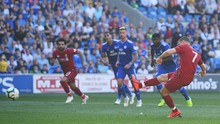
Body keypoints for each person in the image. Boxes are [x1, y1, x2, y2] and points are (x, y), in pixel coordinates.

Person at [131, 36, 206, 118]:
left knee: (163, 91)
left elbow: (169, 51)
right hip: (185, 75)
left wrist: (160, 58)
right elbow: (202, 65)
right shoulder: (196, 53)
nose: (178, 45)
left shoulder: (184, 46)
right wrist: (203, 71)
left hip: (181, 76)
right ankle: (139, 85)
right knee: (162, 77)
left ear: (183, 42)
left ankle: (175, 111)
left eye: (178, 44)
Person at [150, 33, 193, 107]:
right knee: (157, 81)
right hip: (162, 67)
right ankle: (164, 98)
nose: (154, 41)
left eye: (156, 39)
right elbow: (152, 51)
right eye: (153, 40)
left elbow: (171, 58)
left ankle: (187, 98)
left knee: (178, 85)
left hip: (171, 67)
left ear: (160, 39)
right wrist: (152, 60)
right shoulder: (152, 45)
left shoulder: (165, 46)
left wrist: (160, 60)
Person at [101, 31, 135, 106]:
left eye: (108, 35)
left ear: (111, 36)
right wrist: (104, 61)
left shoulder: (117, 43)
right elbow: (104, 57)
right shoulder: (104, 46)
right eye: (105, 36)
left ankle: (119, 98)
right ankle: (130, 94)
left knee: (119, 82)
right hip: (113, 65)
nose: (107, 37)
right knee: (120, 82)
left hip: (120, 64)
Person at [52, 38, 89, 104]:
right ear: (57, 45)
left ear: (65, 45)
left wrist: (83, 63)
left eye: (62, 44)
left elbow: (80, 52)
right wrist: (52, 61)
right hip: (66, 72)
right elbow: (52, 62)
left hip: (72, 70)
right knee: (73, 87)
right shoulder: (55, 53)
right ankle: (83, 96)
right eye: (59, 44)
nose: (61, 46)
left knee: (62, 81)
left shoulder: (69, 51)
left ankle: (69, 96)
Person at [116, 27, 142, 107]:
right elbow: (119, 54)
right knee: (119, 82)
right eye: (120, 33)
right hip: (121, 67)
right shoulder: (118, 43)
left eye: (123, 33)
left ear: (126, 33)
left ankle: (139, 100)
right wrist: (117, 61)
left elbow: (136, 56)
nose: (121, 34)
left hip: (130, 67)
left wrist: (130, 64)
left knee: (134, 84)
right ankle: (126, 97)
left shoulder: (130, 44)